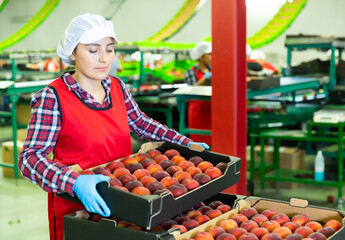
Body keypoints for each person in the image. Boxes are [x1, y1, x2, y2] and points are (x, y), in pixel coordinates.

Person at [18, 13, 208, 240]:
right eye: (93, 50)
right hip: (79, 206)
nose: (104, 58)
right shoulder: (53, 97)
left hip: (124, 197)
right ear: (72, 52)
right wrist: (75, 182)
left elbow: (141, 123)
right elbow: (29, 159)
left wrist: (184, 142)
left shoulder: (116, 86)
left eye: (109, 49)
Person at [184, 41, 212, 146]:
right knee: (200, 141)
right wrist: (205, 79)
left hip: (210, 109)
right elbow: (192, 90)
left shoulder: (212, 70)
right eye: (209, 54)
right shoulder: (191, 72)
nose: (211, 57)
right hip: (198, 111)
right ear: (201, 56)